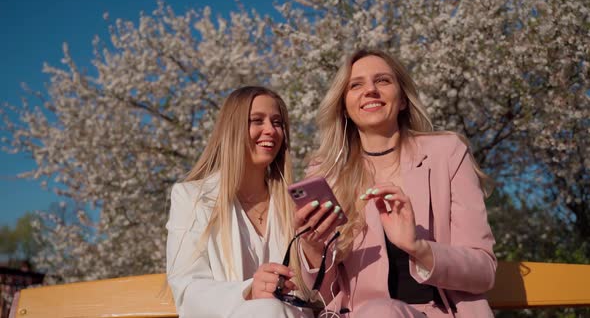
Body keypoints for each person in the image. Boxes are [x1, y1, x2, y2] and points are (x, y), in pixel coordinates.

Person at [293, 50, 497, 317]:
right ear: (344, 105)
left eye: (383, 81)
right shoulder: (326, 173)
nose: (370, 91)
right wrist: (311, 247)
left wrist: (418, 247)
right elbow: (321, 294)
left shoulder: (447, 154)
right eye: (356, 85)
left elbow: (484, 271)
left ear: (402, 99)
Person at [166, 86, 311, 318]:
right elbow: (187, 288)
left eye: (277, 122)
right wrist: (248, 290)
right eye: (257, 120)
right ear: (232, 129)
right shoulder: (193, 199)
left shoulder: (295, 204)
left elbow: (314, 291)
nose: (270, 130)